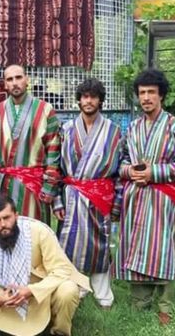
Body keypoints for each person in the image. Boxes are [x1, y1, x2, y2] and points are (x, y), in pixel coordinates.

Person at [113, 69, 175, 325]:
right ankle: (140, 299)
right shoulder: (133, 127)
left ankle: (165, 305)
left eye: (151, 92)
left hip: (164, 197)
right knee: (136, 244)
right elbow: (123, 160)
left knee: (163, 248)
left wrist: (156, 172)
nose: (146, 97)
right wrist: (131, 172)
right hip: (136, 196)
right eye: (142, 93)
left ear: (161, 95)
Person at [53, 78, 122, 309]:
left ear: (100, 99)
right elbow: (56, 167)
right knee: (70, 242)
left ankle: (104, 295)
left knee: (99, 245)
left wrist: (116, 204)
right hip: (71, 196)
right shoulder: (66, 129)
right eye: (84, 96)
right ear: (79, 100)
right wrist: (56, 201)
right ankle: (77, 288)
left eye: (93, 96)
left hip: (99, 196)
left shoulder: (114, 131)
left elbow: (120, 172)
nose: (89, 100)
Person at [0, 195, 90, 336]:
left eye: (7, 218)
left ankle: (59, 331)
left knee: (68, 289)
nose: (3, 224)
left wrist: (31, 290)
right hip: (11, 295)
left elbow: (61, 270)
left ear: (16, 215)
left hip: (44, 291)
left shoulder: (39, 231)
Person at [0, 65, 61, 224]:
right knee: (5, 230)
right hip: (4, 185)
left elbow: (53, 152)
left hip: (34, 185)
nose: (15, 83)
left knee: (33, 233)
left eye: (19, 77)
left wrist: (49, 187)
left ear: (27, 80)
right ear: (5, 84)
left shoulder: (46, 110)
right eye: (10, 79)